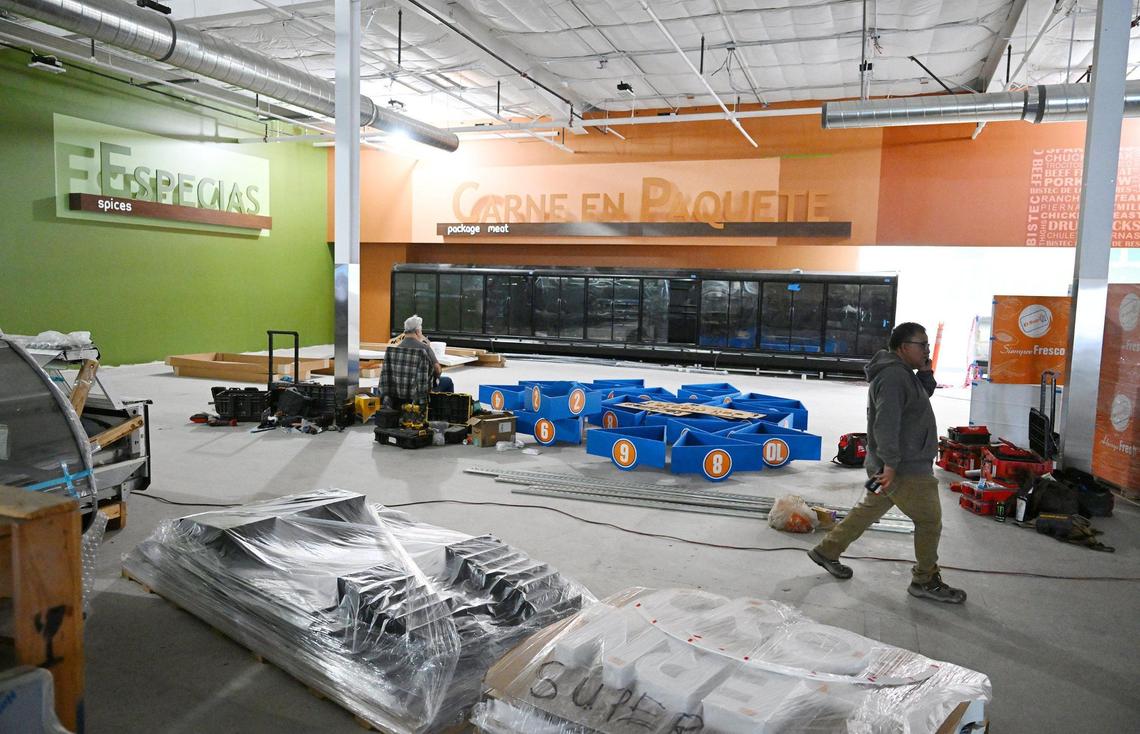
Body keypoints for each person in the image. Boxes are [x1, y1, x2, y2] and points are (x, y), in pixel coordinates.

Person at [807, 322, 966, 604]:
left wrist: (925, 372)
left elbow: (919, 395)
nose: (927, 350)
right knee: (929, 521)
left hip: (892, 465)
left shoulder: (903, 373)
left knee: (868, 510)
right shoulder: (893, 377)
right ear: (904, 347)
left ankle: (826, 550)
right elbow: (886, 424)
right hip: (903, 468)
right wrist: (890, 465)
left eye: (928, 345)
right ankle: (925, 580)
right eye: (922, 345)